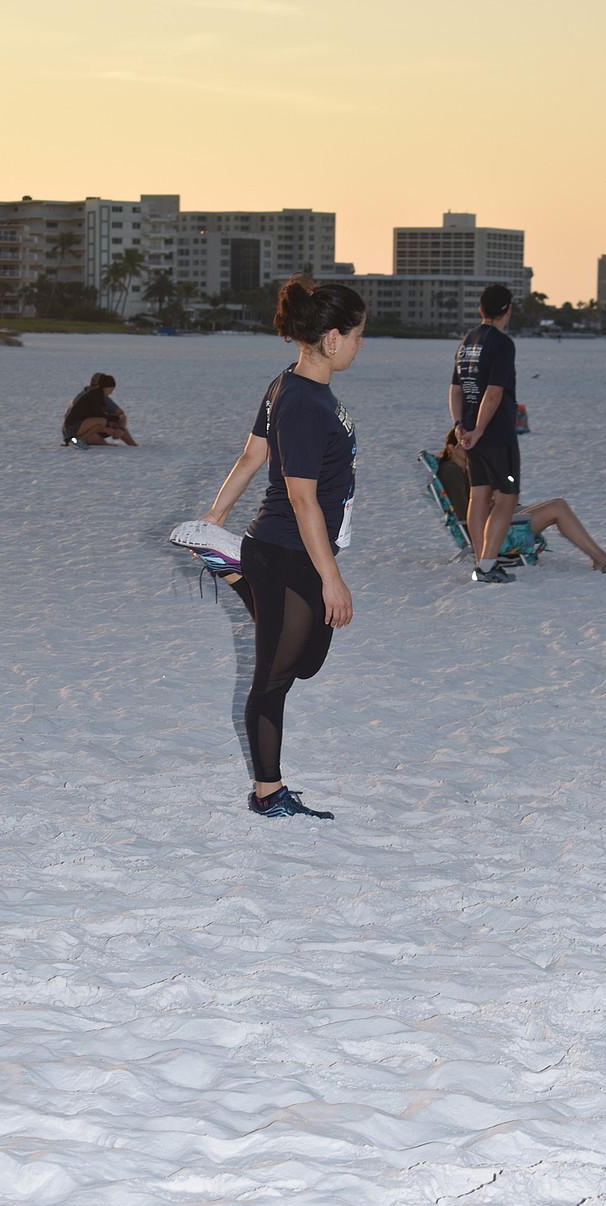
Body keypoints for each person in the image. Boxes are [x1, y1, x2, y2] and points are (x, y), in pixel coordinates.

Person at [197, 276, 365, 820]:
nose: (362, 346)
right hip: (289, 551)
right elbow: (300, 497)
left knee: (308, 660)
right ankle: (268, 794)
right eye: (360, 335)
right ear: (334, 338)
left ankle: (236, 569)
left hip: (283, 552)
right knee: (274, 677)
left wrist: (215, 516)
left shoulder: (293, 386)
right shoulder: (300, 402)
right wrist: (331, 578)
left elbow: (250, 457)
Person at [435, 430, 606, 572]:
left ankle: (600, 557)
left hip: (493, 521)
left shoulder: (462, 470)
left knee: (556, 504)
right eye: (464, 447)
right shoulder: (451, 471)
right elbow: (465, 513)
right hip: (492, 531)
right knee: (558, 507)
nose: (470, 451)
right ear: (451, 448)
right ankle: (600, 559)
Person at [450, 283, 520, 584]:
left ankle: (482, 561)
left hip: (468, 430)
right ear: (508, 311)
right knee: (507, 497)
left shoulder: (467, 342)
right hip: (495, 433)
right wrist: (479, 429)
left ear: (480, 309)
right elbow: (493, 393)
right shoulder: (502, 344)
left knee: (478, 494)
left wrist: (460, 426)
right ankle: (488, 565)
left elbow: (455, 389)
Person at [61, 373, 137, 446]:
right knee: (102, 421)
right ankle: (77, 441)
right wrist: (116, 420)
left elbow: (120, 414)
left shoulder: (97, 396)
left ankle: (132, 445)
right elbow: (100, 415)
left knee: (106, 424)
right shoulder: (93, 395)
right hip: (73, 430)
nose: (111, 393)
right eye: (111, 389)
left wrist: (120, 428)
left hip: (83, 429)